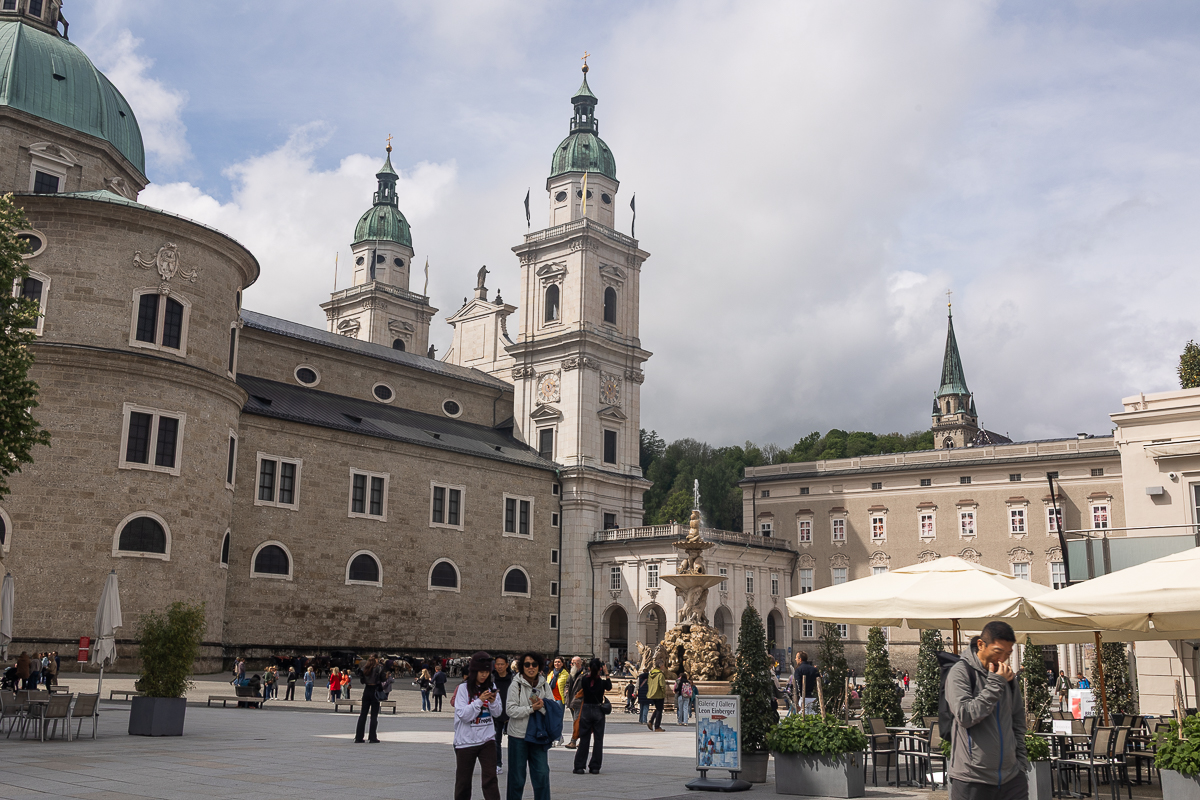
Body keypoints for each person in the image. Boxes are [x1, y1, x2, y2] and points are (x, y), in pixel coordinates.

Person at [946, 621, 1028, 800]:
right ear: (981, 645)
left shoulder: (1008, 678)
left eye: (1008, 653)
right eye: (998, 652)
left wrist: (1021, 763)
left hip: (1012, 778)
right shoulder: (960, 672)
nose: (1002, 659)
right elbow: (965, 716)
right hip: (972, 778)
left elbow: (1018, 721)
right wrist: (995, 684)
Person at [453, 651, 503, 800]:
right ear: (474, 671)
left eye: (487, 672)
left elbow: (498, 713)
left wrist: (493, 701)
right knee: (463, 781)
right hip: (466, 741)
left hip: (487, 739)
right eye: (481, 672)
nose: (484, 675)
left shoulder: (491, 686)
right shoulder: (462, 689)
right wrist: (480, 700)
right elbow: (464, 715)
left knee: (490, 779)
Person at [506, 651, 552, 800]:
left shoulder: (544, 684)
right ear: (521, 666)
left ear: (539, 666)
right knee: (517, 777)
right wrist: (531, 709)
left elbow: (552, 708)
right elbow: (510, 710)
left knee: (542, 774)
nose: (530, 667)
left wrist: (541, 706)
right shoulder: (515, 685)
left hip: (538, 735)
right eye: (527, 664)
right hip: (518, 736)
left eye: (534, 664)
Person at [573, 658, 613, 774]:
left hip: (586, 709)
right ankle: (595, 766)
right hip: (598, 711)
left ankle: (579, 766)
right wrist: (606, 673)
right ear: (600, 668)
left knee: (584, 739)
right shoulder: (601, 682)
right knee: (598, 739)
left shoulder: (585, 680)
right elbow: (609, 686)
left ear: (589, 668)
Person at [354, 654, 385, 744]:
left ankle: (359, 737)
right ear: (376, 659)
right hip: (375, 691)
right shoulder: (379, 668)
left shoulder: (364, 668)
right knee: (374, 716)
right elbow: (382, 679)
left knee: (363, 714)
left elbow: (362, 681)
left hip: (367, 690)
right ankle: (372, 737)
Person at [492, 655, 513, 775]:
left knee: (513, 741)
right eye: (497, 664)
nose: (499, 666)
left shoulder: (513, 679)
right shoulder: (492, 679)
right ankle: (497, 764)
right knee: (496, 740)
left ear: (507, 665)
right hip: (496, 714)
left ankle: (514, 764)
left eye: (502, 664)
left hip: (511, 713)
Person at [790, 650, 820, 715]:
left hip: (803, 696)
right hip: (813, 696)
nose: (795, 659)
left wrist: (797, 697)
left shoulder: (798, 670)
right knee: (813, 716)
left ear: (800, 659)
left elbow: (798, 684)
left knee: (803, 716)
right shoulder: (814, 669)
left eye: (796, 658)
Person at [565, 655, 584, 748]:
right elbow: (567, 684)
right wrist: (566, 691)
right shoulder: (572, 673)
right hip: (572, 701)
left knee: (577, 721)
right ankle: (583, 740)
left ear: (578, 663)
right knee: (576, 721)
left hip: (579, 701)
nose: (571, 664)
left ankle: (573, 741)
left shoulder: (584, 674)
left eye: (573, 662)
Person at [646, 661, 666, 732]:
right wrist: (664, 693)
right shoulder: (660, 675)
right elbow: (662, 685)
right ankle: (657, 726)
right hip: (659, 694)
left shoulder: (651, 674)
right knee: (659, 710)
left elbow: (648, 683)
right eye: (663, 665)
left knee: (658, 708)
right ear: (661, 666)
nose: (663, 667)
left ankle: (651, 722)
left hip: (652, 694)